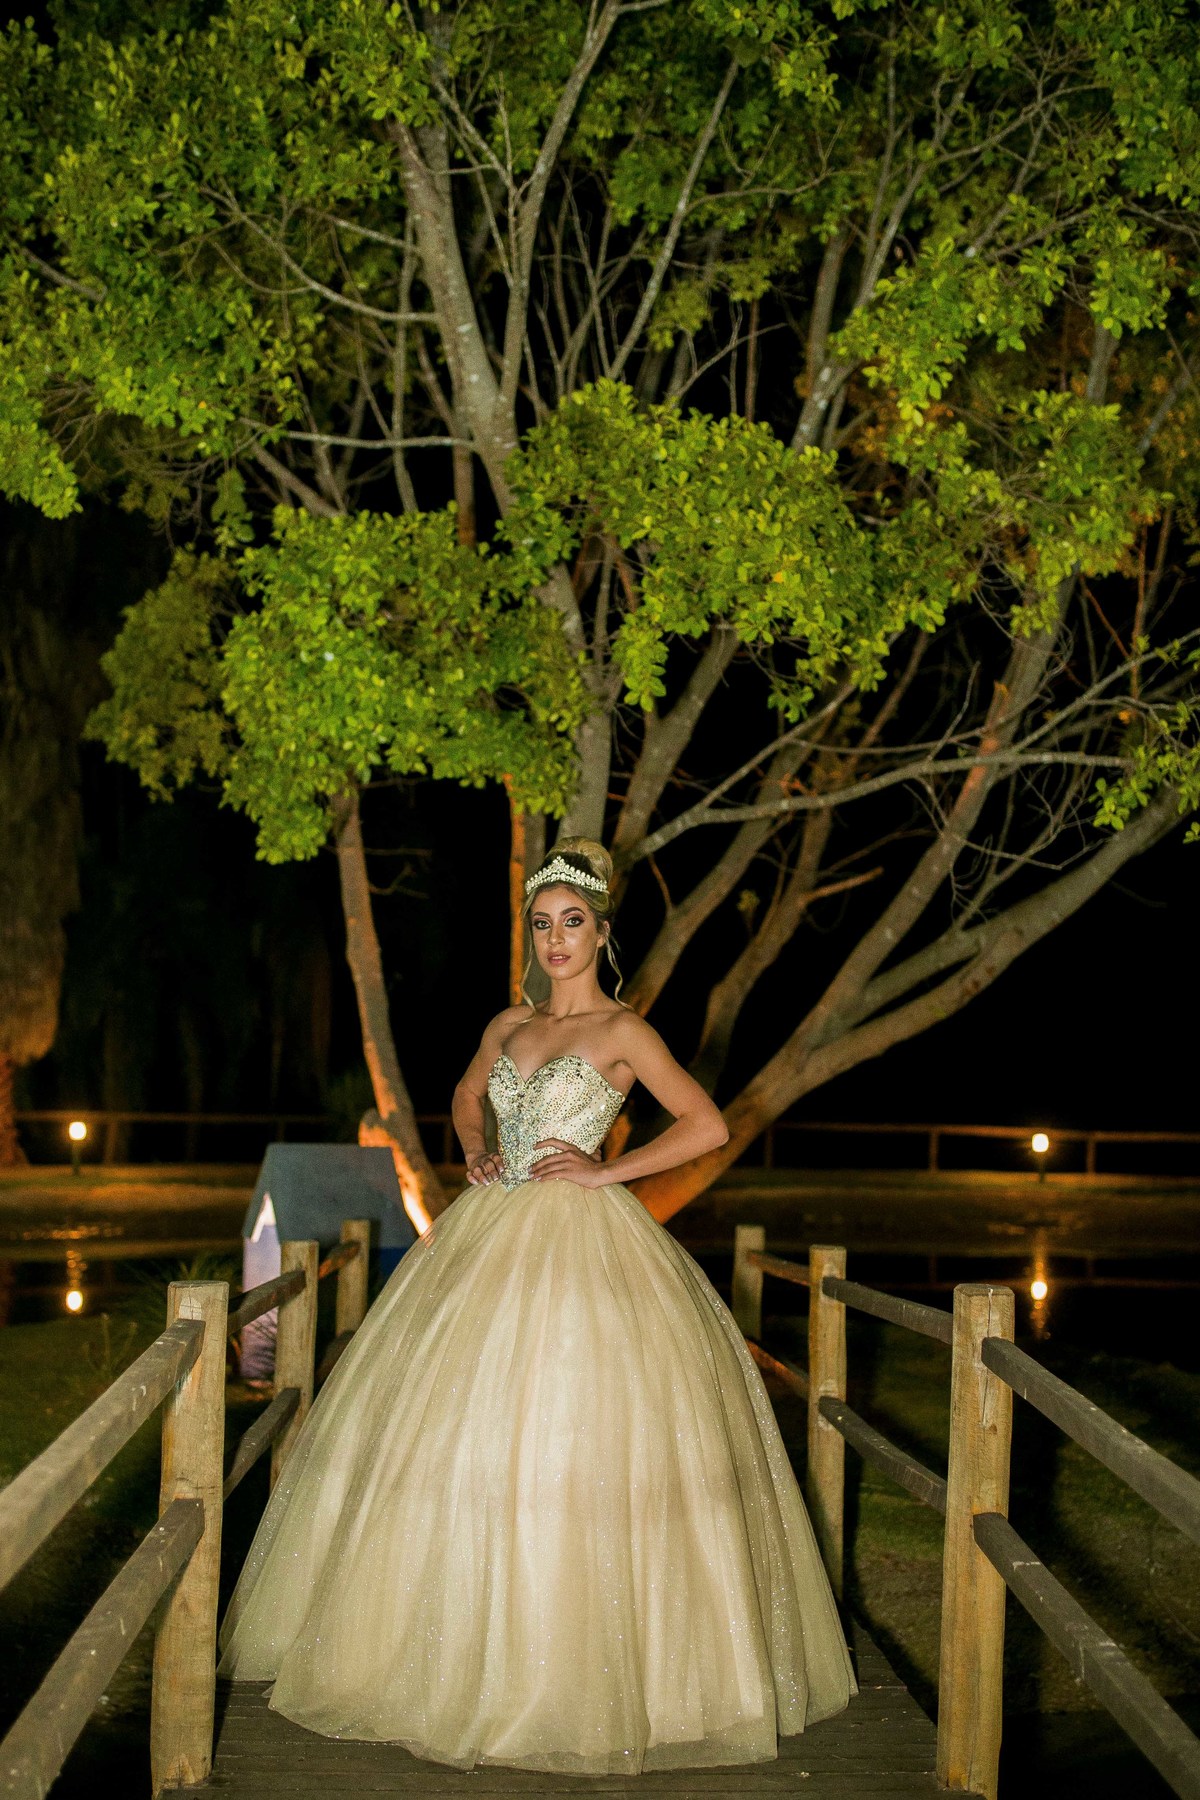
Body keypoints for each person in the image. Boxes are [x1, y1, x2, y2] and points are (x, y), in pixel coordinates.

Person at [217, 837, 856, 1774]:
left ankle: (578, 1672)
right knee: (451, 1430)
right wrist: (475, 1146)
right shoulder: (507, 1025)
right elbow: (467, 1094)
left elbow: (708, 1125)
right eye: (544, 924)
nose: (557, 940)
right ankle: (434, 1658)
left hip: (586, 1246)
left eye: (574, 923)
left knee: (576, 1434)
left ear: (602, 932)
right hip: (487, 1236)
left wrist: (608, 1173)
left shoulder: (625, 1033)